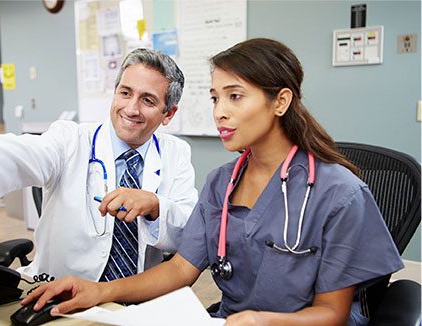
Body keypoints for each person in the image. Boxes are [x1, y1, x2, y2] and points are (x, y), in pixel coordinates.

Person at [22, 38, 403, 325]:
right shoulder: (222, 183)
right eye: (215, 98)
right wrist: (99, 291)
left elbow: (331, 314)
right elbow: (180, 270)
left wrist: (262, 320)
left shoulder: (340, 193)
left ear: (281, 102)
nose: (220, 113)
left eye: (235, 97)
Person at [0, 48, 198, 282]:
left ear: (168, 113)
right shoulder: (71, 138)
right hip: (61, 290)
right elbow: (24, 153)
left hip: (136, 296)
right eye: (125, 93)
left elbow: (188, 229)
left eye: (147, 100)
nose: (131, 109)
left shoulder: (176, 152)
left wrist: (155, 206)